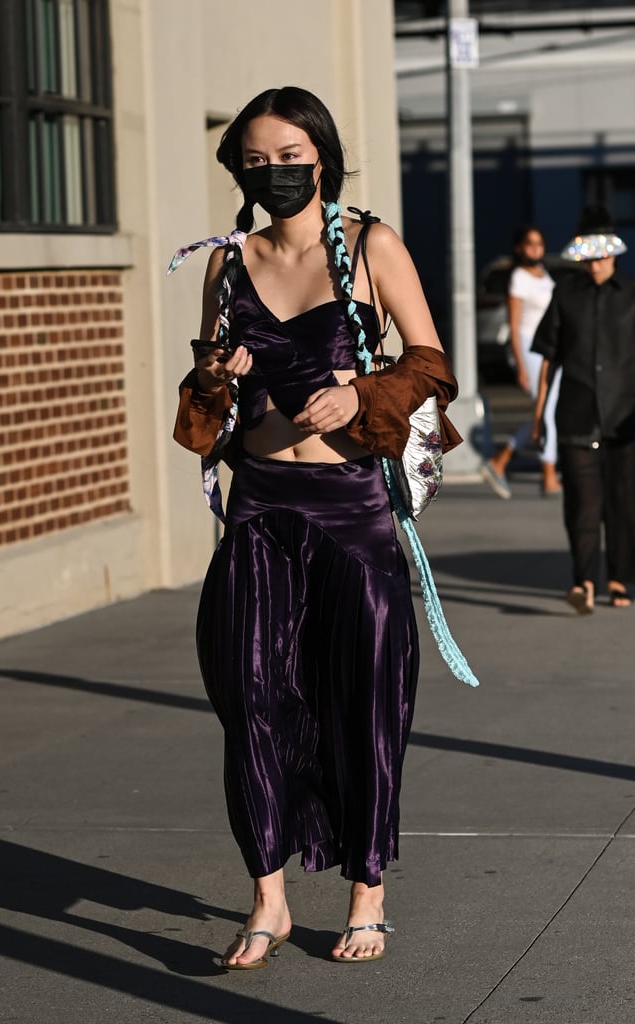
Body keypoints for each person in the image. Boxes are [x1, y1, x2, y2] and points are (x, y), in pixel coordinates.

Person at [170, 86, 462, 969]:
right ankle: (269, 900)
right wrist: (222, 374)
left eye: (289, 155)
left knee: (362, 701)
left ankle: (365, 894)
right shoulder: (229, 263)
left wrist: (360, 394)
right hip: (261, 506)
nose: (274, 172)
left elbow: (431, 364)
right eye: (256, 160)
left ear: (323, 156)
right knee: (250, 698)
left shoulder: (371, 246)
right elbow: (201, 402)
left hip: (351, 514)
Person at [532, 204, 635, 613]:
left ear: (614, 253)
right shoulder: (565, 295)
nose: (596, 264)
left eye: (603, 255)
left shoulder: (631, 297)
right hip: (575, 415)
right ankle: (584, 582)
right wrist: (538, 415)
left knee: (624, 504)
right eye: (589, 256)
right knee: (582, 503)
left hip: (626, 419)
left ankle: (618, 577)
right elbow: (548, 359)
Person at [481, 225, 561, 499]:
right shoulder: (518, 277)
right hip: (528, 347)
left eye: (539, 243)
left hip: (548, 349)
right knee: (548, 412)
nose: (536, 248)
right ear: (519, 247)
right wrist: (520, 365)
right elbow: (513, 327)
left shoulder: (543, 274)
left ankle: (501, 459)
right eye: (530, 243)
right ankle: (549, 475)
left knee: (548, 411)